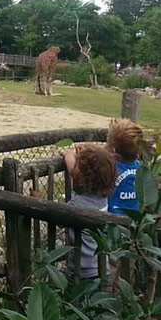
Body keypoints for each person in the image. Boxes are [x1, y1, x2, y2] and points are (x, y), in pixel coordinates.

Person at [61, 143, 117, 279]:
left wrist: (68, 154)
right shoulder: (102, 199)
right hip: (102, 268)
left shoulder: (77, 204)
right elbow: (86, 173)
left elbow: (56, 219)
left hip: (82, 272)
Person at [105, 118, 144, 214]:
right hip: (134, 224)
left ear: (113, 152)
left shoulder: (109, 169)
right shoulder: (143, 169)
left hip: (111, 223)